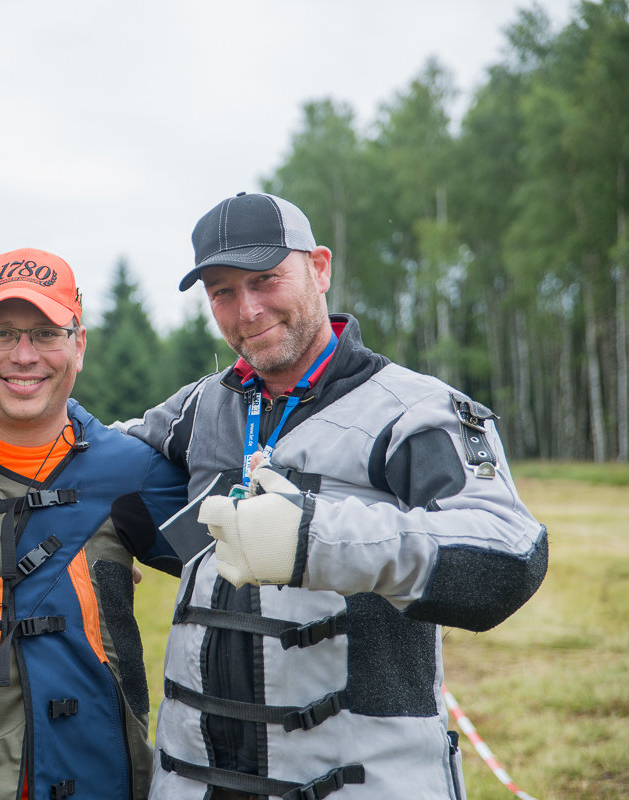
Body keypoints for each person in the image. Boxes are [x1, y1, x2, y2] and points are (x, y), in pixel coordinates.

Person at [121, 193, 548, 800]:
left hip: (362, 783)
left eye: (266, 279)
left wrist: (313, 540)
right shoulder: (201, 406)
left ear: (320, 268)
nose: (247, 310)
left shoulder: (416, 412)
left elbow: (510, 556)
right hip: (194, 782)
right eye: (222, 291)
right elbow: (91, 459)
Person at [0, 248, 189, 800]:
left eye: (47, 333)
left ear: (79, 345)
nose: (24, 355)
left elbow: (237, 571)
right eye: (1, 332)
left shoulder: (134, 471)